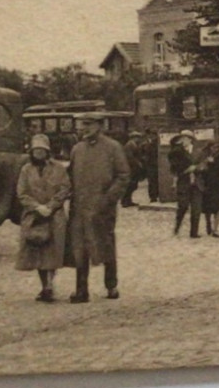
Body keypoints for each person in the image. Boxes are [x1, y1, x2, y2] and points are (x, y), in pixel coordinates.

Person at [63, 112, 130, 302]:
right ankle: (81, 290)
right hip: (79, 209)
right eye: (82, 125)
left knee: (105, 245)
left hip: (102, 209)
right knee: (79, 248)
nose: (84, 128)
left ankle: (111, 286)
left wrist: (108, 199)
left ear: (100, 126)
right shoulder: (77, 149)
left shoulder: (113, 148)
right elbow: (69, 176)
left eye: (89, 124)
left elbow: (123, 176)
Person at [14, 133, 70, 302]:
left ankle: (50, 285)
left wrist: (51, 206)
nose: (39, 153)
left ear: (48, 151)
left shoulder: (59, 168)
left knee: (53, 252)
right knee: (37, 251)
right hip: (34, 216)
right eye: (36, 150)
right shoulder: (26, 170)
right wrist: (37, 207)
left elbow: (65, 188)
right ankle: (43, 284)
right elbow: (21, 193)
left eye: (42, 150)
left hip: (55, 216)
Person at [169, 131, 201, 237]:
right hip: (184, 182)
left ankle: (194, 233)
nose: (183, 141)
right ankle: (177, 227)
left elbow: (204, 164)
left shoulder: (198, 151)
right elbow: (174, 168)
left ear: (190, 139)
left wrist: (196, 168)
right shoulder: (177, 152)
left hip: (197, 183)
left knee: (196, 209)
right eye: (182, 138)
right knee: (182, 206)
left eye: (185, 138)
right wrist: (186, 170)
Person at [197, 140, 219, 237]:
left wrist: (213, 163)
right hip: (208, 186)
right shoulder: (204, 157)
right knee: (207, 209)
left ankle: (215, 229)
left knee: (218, 208)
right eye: (214, 147)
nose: (216, 149)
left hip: (218, 186)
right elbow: (201, 170)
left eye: (217, 147)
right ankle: (208, 224)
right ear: (209, 148)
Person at [121, 131, 145, 207]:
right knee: (130, 185)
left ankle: (128, 200)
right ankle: (125, 201)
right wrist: (138, 163)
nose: (139, 139)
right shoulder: (130, 145)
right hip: (130, 168)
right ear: (133, 137)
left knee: (133, 185)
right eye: (137, 137)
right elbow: (130, 157)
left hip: (133, 168)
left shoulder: (134, 145)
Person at [144, 130, 161, 203]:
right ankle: (153, 196)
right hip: (152, 165)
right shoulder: (151, 144)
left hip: (154, 165)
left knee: (154, 181)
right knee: (153, 181)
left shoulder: (152, 144)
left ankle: (154, 196)